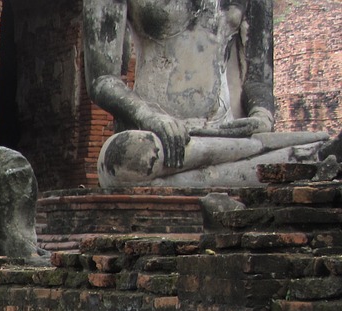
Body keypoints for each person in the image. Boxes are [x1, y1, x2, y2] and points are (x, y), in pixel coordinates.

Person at [83, 0, 334, 187]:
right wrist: (149, 117)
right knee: (127, 155)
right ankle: (256, 171)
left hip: (225, 133)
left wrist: (261, 115)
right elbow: (102, 80)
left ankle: (176, 183)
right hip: (155, 138)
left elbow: (257, 79)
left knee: (323, 146)